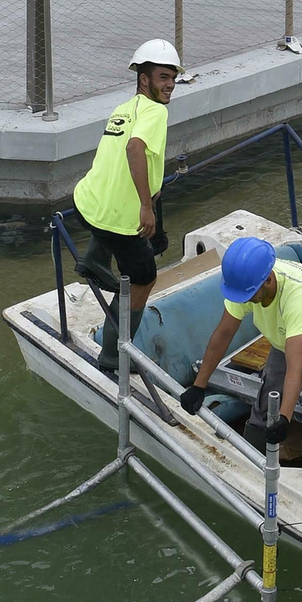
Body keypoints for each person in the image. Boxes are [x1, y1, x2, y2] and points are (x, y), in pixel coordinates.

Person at [185, 236, 302, 468]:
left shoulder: (297, 295)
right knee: (268, 396)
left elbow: (296, 368)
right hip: (283, 337)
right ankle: (249, 460)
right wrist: (199, 385)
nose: (245, 300)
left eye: (248, 296)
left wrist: (285, 419)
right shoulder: (245, 283)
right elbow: (223, 334)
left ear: (267, 280)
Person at [72, 39, 180, 374]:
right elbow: (135, 149)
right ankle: (114, 353)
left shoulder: (124, 108)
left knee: (110, 226)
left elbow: (122, 157)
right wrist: (146, 208)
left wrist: (152, 195)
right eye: (163, 77)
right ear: (144, 79)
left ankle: (93, 258)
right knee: (143, 278)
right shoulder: (156, 112)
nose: (170, 85)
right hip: (117, 222)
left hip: (85, 202)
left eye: (173, 77)